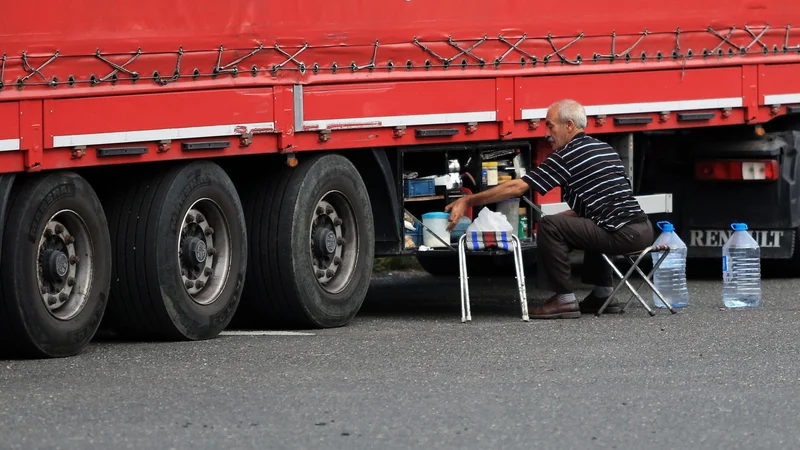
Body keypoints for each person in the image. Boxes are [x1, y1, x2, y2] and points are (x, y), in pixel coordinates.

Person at [445, 99, 653, 319]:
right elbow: (605, 203)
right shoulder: (603, 148)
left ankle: (564, 300)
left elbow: (518, 187)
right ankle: (602, 295)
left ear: (569, 125)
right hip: (643, 230)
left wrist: (468, 201)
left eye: (550, 125)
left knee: (549, 225)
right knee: (588, 222)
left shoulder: (568, 155)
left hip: (622, 234)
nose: (546, 133)